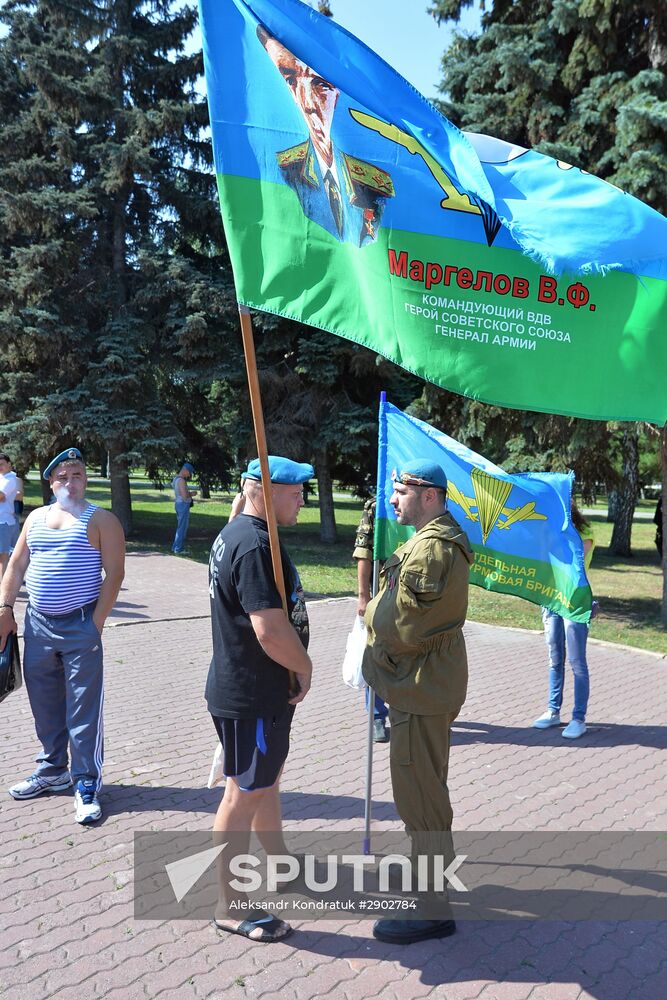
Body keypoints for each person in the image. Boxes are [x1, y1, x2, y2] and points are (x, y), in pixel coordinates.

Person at [362, 459, 474, 946]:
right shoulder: (433, 538)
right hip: (425, 683)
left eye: (401, 490)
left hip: (421, 686)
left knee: (421, 796)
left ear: (429, 495)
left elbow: (398, 625)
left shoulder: (431, 548)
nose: (393, 499)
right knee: (425, 787)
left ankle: (431, 908)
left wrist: (367, 619)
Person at [207, 455, 314, 943]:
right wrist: (303, 667)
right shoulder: (252, 545)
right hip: (252, 692)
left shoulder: (241, 533)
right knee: (242, 793)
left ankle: (278, 861)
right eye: (295, 491)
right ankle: (229, 904)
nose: (302, 499)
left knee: (264, 780)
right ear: (262, 491)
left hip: (255, 690)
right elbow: (269, 630)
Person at [0, 447, 125, 824]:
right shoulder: (36, 518)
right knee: (44, 703)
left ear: (85, 481)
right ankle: (54, 769)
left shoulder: (101, 520)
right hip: (37, 626)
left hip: (80, 626)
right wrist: (5, 610)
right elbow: (18, 564)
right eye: (63, 476)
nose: (71, 482)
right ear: (50, 482)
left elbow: (115, 574)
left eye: (78, 475)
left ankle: (86, 782)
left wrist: (96, 623)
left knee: (83, 710)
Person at [257, 25, 394, 246]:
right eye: (291, 81)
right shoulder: (282, 169)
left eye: (319, 85)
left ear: (337, 96)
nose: (307, 102)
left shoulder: (375, 184)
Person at [533, 501, 595, 739]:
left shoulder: (585, 534)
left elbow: (573, 559)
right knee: (554, 658)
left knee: (577, 661)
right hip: (551, 599)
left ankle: (579, 718)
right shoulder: (547, 531)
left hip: (575, 601)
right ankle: (553, 710)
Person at [353, 497, 389, 742]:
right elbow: (364, 552)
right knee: (375, 655)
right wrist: (363, 596)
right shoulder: (377, 504)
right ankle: (377, 715)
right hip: (381, 594)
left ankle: (410, 711)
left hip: (415, 596)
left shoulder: (429, 498)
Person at [171, 461, 197, 554]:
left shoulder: (176, 479)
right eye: (189, 472)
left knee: (180, 526)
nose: (189, 475)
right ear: (185, 470)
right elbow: (184, 495)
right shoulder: (181, 480)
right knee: (182, 527)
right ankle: (178, 548)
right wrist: (192, 494)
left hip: (179, 504)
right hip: (182, 505)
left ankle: (175, 547)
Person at [0, 454, 18, 583]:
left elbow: (1, 496)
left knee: (3, 555)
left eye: (2, 463)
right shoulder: (1, 478)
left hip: (4, 522)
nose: (0, 467)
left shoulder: (11, 478)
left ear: (9, 464)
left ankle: (3, 585)